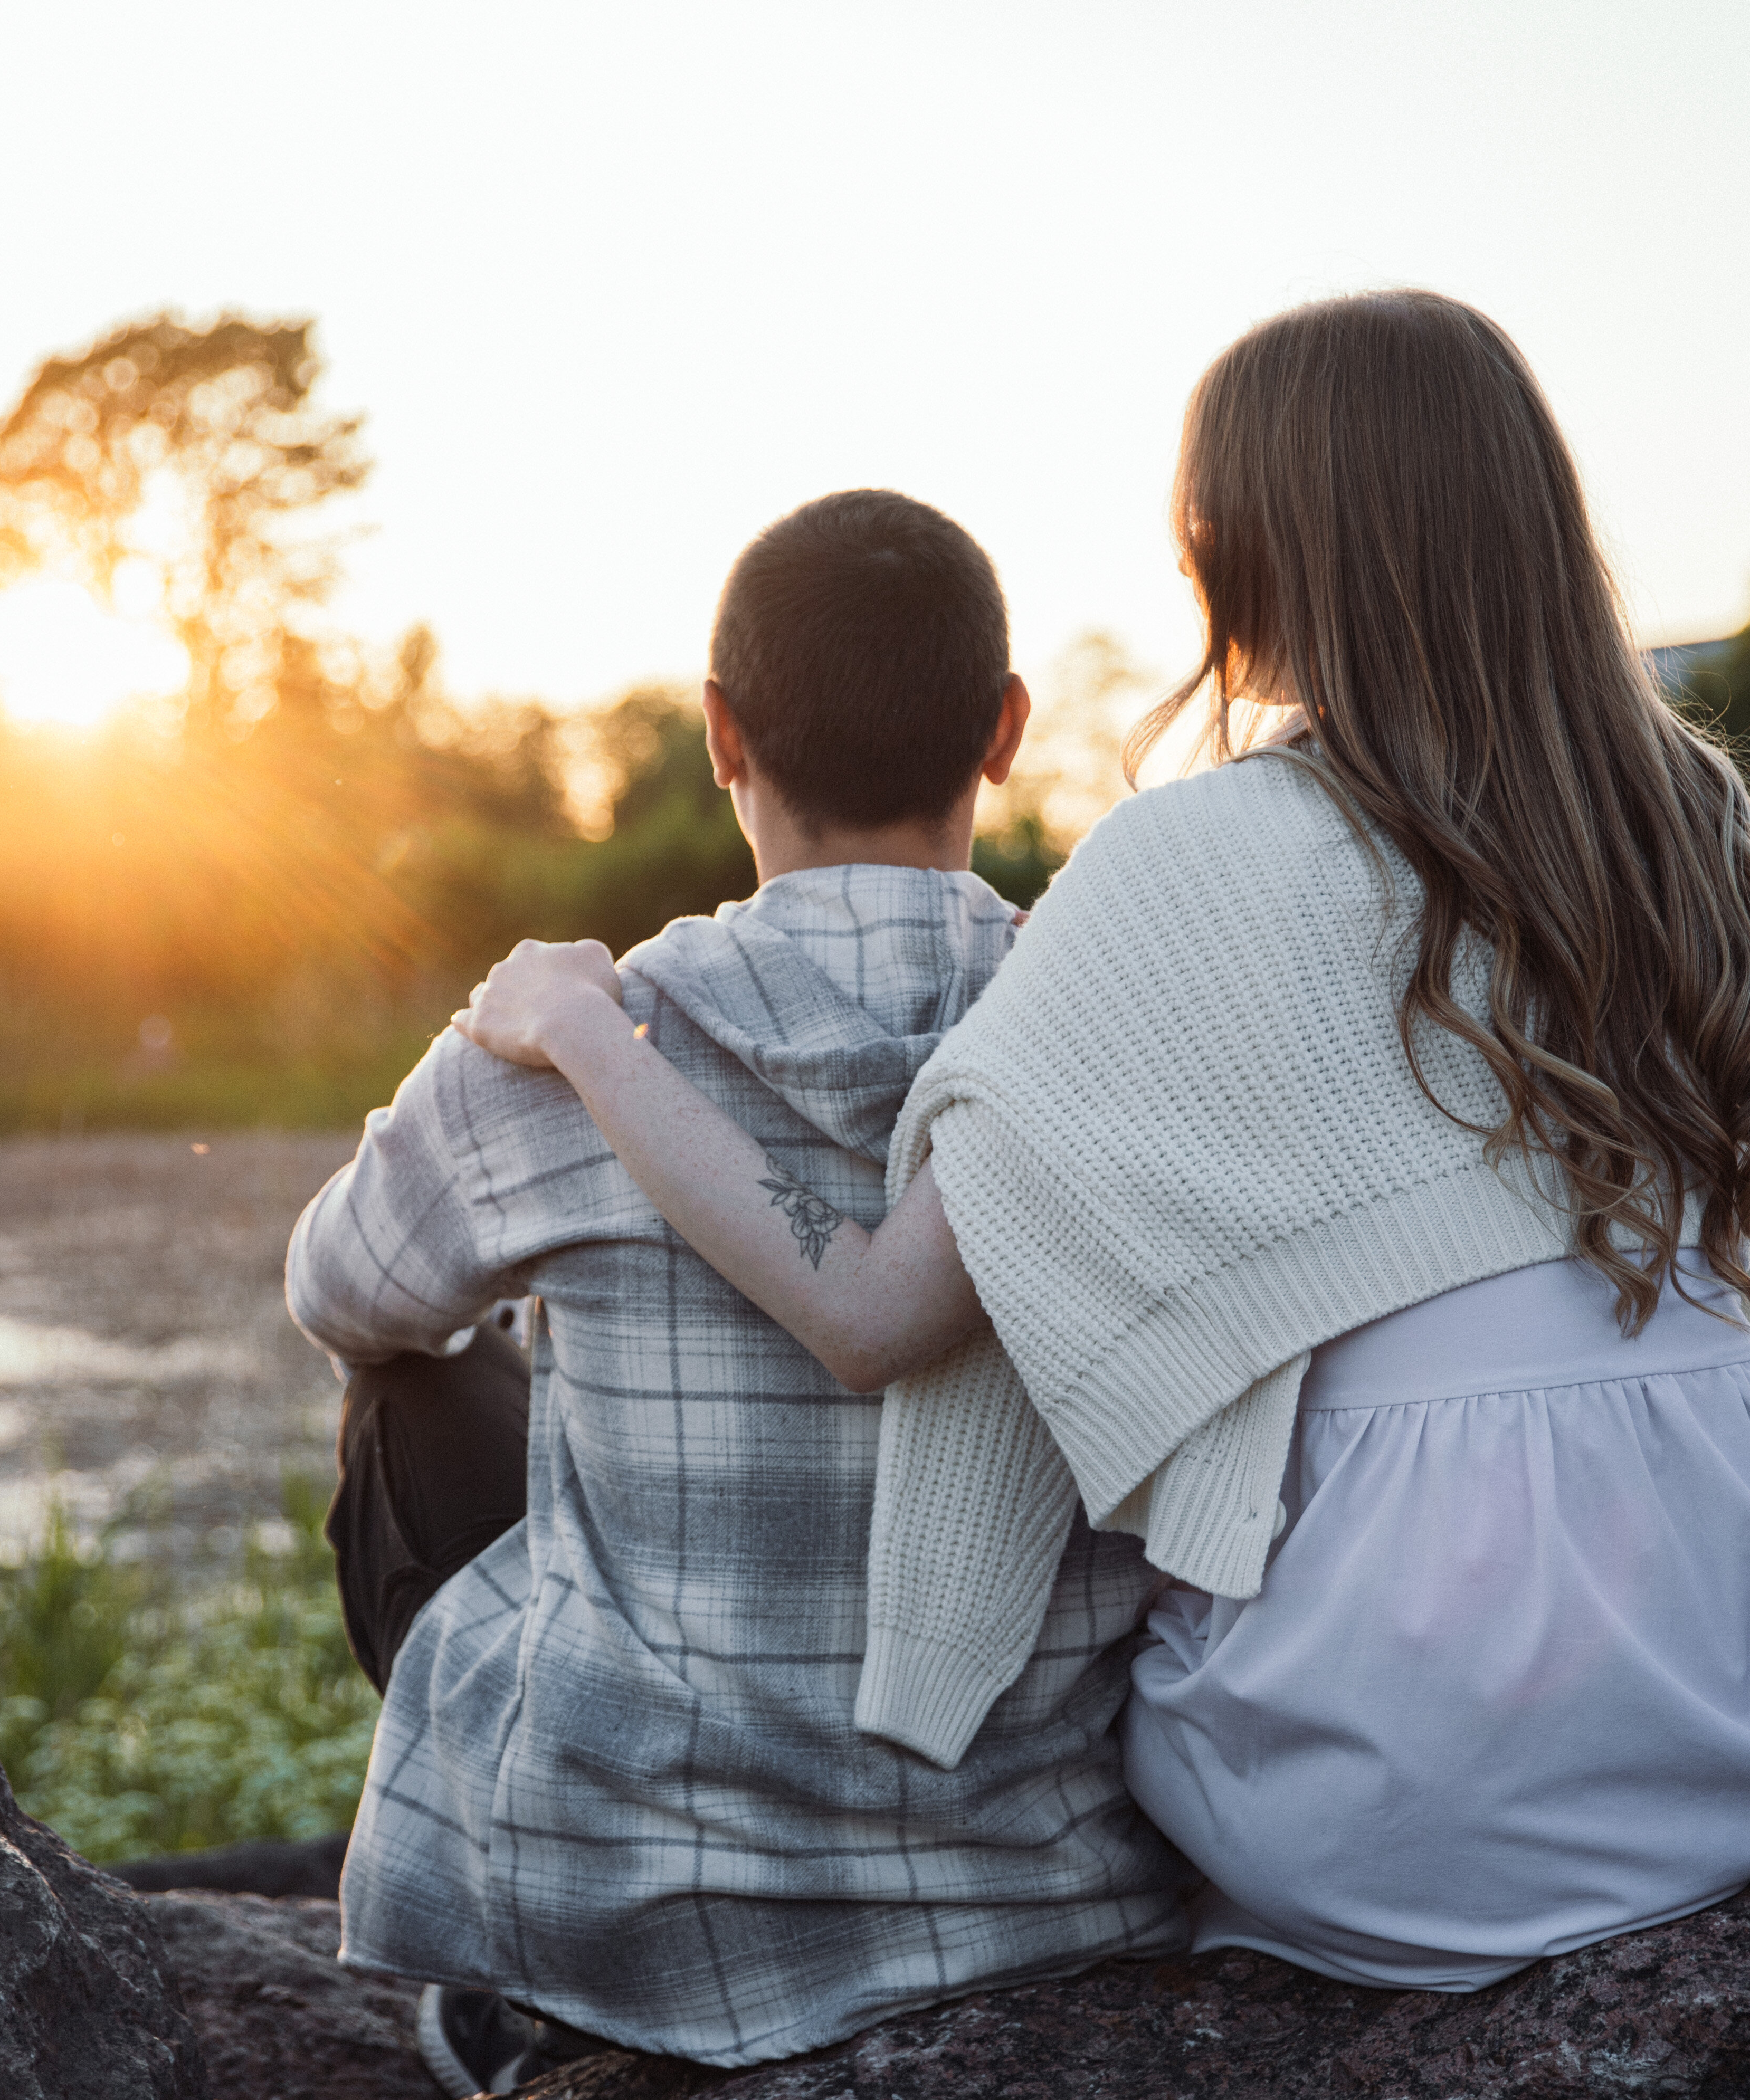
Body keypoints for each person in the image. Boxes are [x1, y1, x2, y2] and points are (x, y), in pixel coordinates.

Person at [450, 292, 1750, 1997]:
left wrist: (585, 1035)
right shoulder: (1678, 816)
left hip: (1430, 1694)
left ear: (1269, 557)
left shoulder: (1188, 862)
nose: (1188, 582)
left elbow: (870, 1314)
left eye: (1198, 542)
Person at [287, 488, 1188, 2090]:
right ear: (1003, 731)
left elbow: (342, 1290)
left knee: (406, 1393)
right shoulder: (1117, 1031)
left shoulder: (583, 1033)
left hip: (652, 1904)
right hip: (1049, 1881)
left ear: (719, 735)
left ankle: (536, 1980)